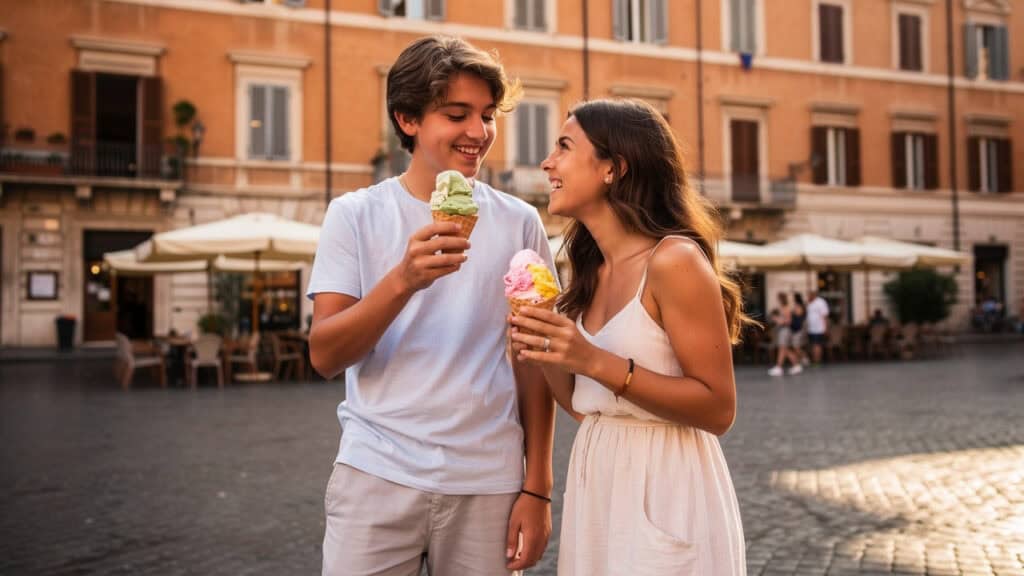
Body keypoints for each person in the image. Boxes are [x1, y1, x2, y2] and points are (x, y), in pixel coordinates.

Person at [307, 35, 555, 576]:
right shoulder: (355, 215)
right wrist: (403, 280)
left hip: (489, 481)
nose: (478, 132)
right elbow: (324, 355)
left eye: (487, 115)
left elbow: (532, 361)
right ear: (408, 119)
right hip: (376, 473)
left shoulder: (519, 222)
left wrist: (538, 488)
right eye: (456, 114)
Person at [509, 99, 746, 575]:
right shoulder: (589, 271)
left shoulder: (673, 260)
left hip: (666, 484)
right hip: (598, 479)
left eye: (564, 147)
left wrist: (592, 359)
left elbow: (718, 409)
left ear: (613, 168)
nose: (547, 162)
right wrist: (544, 348)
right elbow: (586, 405)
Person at [768, 292, 801, 376]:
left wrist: (777, 320)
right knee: (784, 349)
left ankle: (780, 367)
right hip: (784, 331)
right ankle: (794, 365)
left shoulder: (785, 308)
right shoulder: (785, 307)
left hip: (785, 330)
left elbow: (788, 321)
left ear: (780, 299)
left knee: (783, 349)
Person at [806, 290, 830, 365]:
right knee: (813, 345)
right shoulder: (809, 303)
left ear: (813, 295)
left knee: (817, 345)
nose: (808, 297)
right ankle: (814, 359)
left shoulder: (821, 302)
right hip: (811, 328)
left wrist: (825, 328)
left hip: (819, 328)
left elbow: (825, 316)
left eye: (809, 295)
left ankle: (817, 360)